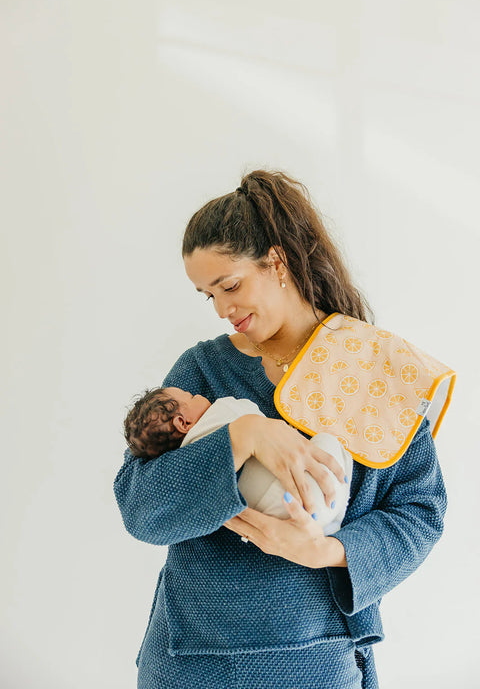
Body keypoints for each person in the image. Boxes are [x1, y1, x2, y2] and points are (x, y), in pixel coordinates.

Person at [113, 169, 447, 689]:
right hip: (193, 660)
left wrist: (328, 552)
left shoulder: (374, 368)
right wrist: (242, 435)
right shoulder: (200, 374)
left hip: (317, 658)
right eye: (208, 295)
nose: (223, 309)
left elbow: (419, 512)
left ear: (277, 261)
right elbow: (140, 507)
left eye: (230, 285)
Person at [122, 386, 353, 533]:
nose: (199, 394)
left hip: (277, 514)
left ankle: (329, 523)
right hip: (316, 492)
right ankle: (334, 515)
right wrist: (247, 430)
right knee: (328, 439)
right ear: (183, 423)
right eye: (191, 396)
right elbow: (250, 410)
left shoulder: (184, 459)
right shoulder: (220, 409)